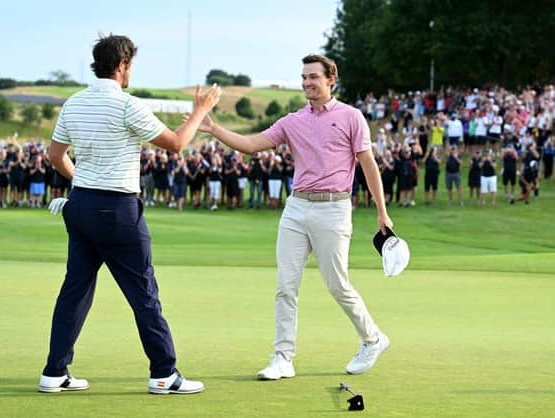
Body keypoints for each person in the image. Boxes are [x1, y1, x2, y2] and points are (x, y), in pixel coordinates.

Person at [190, 54, 392, 379]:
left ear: (331, 80)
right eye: (304, 77)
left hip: (334, 208)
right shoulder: (292, 121)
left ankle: (373, 339)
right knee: (286, 286)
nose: (307, 82)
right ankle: (283, 357)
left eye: (313, 76)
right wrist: (214, 128)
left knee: (337, 284)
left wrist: (382, 212)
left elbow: (368, 165)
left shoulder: (352, 117)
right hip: (296, 208)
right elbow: (251, 144)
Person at [39, 34, 220, 395]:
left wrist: (81, 185)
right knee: (144, 293)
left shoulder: (72, 104)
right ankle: (164, 374)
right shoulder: (127, 105)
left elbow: (55, 156)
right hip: (117, 210)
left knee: (74, 291)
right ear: (122, 65)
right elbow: (177, 144)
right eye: (130, 65)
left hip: (81, 206)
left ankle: (54, 372)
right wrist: (201, 109)